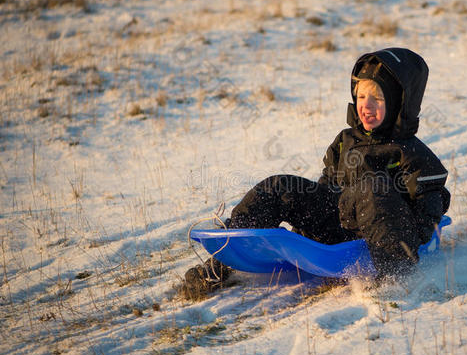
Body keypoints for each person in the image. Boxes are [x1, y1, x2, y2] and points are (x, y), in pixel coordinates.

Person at [183, 47, 450, 298]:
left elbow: (429, 209)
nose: (366, 106)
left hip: (383, 239)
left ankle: (394, 277)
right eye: (361, 96)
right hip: (339, 225)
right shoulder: (346, 141)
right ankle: (225, 257)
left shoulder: (411, 153)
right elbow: (326, 188)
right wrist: (305, 221)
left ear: (398, 105)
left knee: (373, 186)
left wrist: (413, 242)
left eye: (378, 98)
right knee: (280, 186)